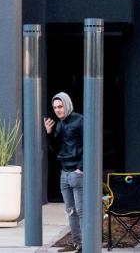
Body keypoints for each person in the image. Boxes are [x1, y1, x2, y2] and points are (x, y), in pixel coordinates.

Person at [45, 92, 83, 253]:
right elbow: (55, 148)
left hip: (77, 172)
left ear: (67, 105)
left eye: (60, 106)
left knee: (81, 211)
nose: (58, 110)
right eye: (55, 108)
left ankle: (87, 244)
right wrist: (49, 132)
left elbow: (89, 145)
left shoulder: (80, 120)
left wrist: (81, 168)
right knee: (70, 211)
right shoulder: (59, 125)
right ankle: (77, 244)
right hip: (65, 172)